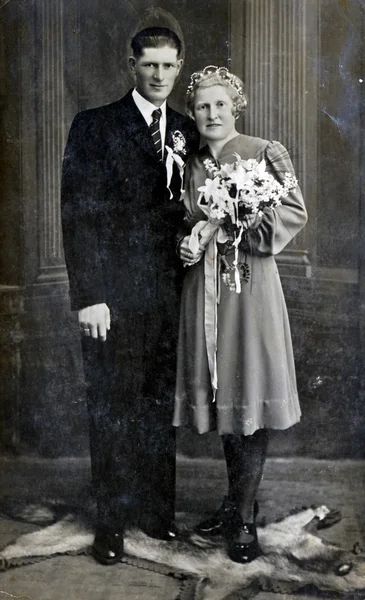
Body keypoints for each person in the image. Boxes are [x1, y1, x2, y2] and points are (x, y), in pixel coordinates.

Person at [61, 27, 198, 565]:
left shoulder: (186, 129)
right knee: (112, 407)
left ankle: (155, 512)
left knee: (156, 406)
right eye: (150, 66)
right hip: (112, 296)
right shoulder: (95, 126)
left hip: (169, 294)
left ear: (180, 66)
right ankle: (111, 524)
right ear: (132, 65)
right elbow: (77, 216)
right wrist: (89, 296)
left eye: (169, 66)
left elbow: (192, 209)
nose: (160, 76)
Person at [174, 66, 307, 563]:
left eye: (220, 106)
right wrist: (186, 241)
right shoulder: (190, 164)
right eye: (203, 107)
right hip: (204, 292)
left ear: (235, 108)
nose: (212, 114)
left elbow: (293, 209)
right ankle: (234, 502)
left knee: (249, 391)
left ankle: (246, 514)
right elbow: (187, 220)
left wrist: (234, 228)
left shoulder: (265, 152)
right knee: (227, 397)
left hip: (249, 290)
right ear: (194, 112)